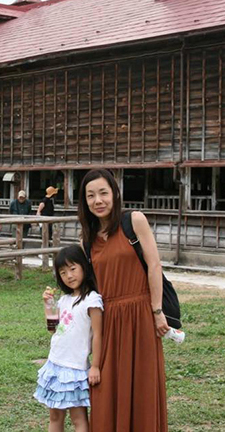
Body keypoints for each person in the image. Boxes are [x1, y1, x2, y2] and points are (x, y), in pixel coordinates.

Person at [78, 169, 168, 432]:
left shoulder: (134, 221)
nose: (98, 200)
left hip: (140, 313)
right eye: (91, 196)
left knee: (142, 383)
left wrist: (157, 310)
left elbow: (154, 265)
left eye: (103, 193)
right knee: (105, 387)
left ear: (115, 194)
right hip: (108, 319)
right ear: (85, 202)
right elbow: (87, 287)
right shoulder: (88, 240)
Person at [34, 244, 103, 432]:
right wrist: (48, 305)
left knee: (78, 418)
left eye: (73, 269)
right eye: (63, 272)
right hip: (55, 364)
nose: (69, 276)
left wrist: (95, 366)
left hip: (75, 369)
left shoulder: (92, 299)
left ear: (84, 267)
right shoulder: (64, 300)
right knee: (55, 416)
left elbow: (98, 334)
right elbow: (53, 329)